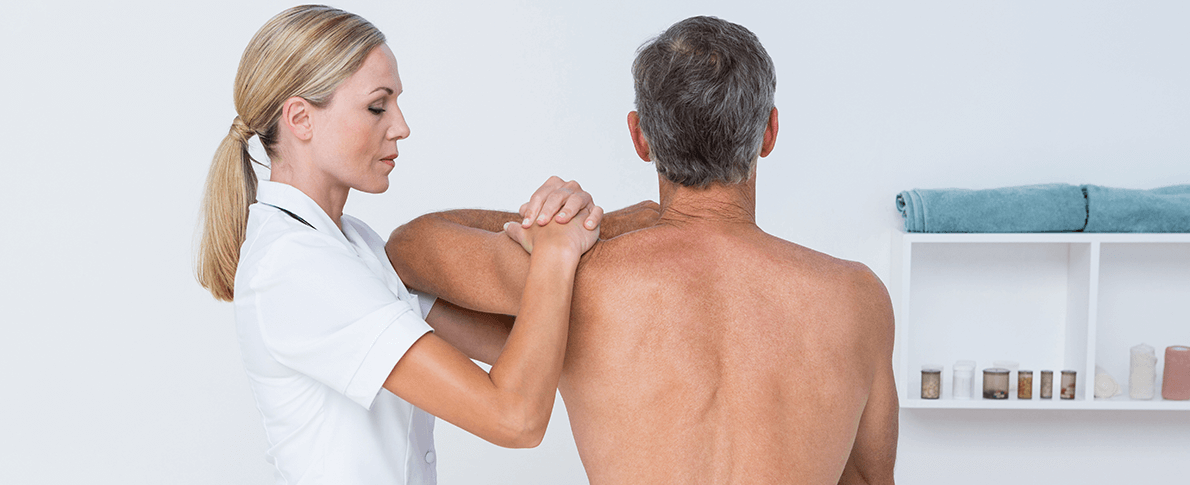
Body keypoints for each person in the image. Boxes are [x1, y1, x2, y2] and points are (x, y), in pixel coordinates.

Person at [387, 16, 898, 485]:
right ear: (769, 131)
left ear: (640, 137)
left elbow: (410, 248)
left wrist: (603, 225)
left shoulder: (577, 279)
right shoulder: (858, 299)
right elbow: (870, 481)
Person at [195, 5, 602, 484]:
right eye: (377, 106)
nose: (401, 126)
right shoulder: (295, 267)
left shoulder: (354, 242)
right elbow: (514, 417)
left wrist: (553, 220)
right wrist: (555, 252)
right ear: (300, 118)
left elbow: (527, 353)